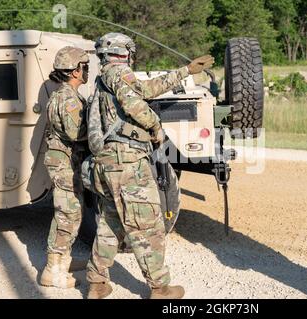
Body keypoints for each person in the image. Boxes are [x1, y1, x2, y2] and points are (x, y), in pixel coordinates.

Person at [85, 32, 214, 299]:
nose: (132, 56)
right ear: (123, 52)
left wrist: (185, 71)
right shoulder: (119, 73)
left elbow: (146, 89)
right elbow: (135, 104)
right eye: (130, 51)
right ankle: (160, 288)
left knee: (111, 222)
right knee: (148, 225)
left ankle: (97, 283)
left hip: (108, 163)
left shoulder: (105, 78)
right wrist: (155, 126)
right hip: (128, 162)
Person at [40, 46, 90, 288]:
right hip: (64, 164)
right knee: (67, 214)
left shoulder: (66, 94)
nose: (86, 70)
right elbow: (75, 132)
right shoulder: (68, 98)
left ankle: (63, 260)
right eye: (84, 66)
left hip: (66, 162)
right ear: (74, 71)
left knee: (72, 212)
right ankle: (53, 271)